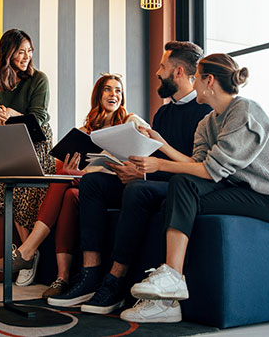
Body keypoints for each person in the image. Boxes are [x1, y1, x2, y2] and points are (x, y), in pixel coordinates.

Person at [121, 53, 269, 323]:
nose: (192, 83)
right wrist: (162, 145)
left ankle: (171, 278)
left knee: (181, 187)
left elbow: (209, 170)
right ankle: (167, 302)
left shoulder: (244, 112)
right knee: (174, 198)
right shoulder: (208, 122)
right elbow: (198, 164)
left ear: (209, 81)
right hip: (237, 189)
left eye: (197, 77)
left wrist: (159, 164)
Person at [47, 41, 212, 318]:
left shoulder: (204, 112)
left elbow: (196, 168)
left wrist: (144, 173)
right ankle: (90, 275)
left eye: (163, 66)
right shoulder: (163, 113)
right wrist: (130, 167)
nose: (157, 72)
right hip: (150, 178)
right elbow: (148, 154)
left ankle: (115, 282)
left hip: (180, 187)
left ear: (179, 72)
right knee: (92, 184)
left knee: (137, 190)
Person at [0, 73, 149, 295]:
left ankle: (27, 251)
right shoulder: (85, 132)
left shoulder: (130, 121)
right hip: (90, 188)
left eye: (118, 90)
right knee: (65, 182)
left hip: (121, 186)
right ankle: (61, 278)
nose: (114, 94)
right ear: (98, 96)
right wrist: (72, 172)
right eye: (108, 89)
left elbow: (149, 150)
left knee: (68, 181)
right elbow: (74, 170)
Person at [0, 29, 55, 281]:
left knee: (19, 177)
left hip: (35, 139)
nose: (26, 56)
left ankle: (25, 255)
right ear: (7, 53)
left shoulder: (39, 79)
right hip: (6, 137)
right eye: (21, 51)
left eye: (29, 51)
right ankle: (27, 253)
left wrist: (11, 113)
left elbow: (39, 118)